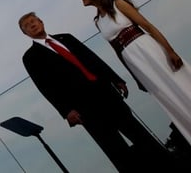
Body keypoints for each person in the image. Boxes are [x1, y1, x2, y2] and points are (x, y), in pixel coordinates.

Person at [19, 11, 174, 172]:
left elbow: (92, 58)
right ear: (25, 33)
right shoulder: (31, 57)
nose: (31, 25)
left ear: (41, 21)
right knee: (115, 149)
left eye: (33, 21)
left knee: (139, 134)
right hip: (84, 108)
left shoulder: (67, 37)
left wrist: (115, 79)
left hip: (106, 94)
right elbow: (45, 87)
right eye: (27, 26)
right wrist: (66, 111)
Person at [79, 0, 191, 144]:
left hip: (147, 49)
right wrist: (134, 75)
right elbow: (116, 50)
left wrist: (170, 51)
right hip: (133, 61)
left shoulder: (118, 4)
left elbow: (148, 26)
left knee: (179, 82)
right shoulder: (98, 22)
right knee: (165, 95)